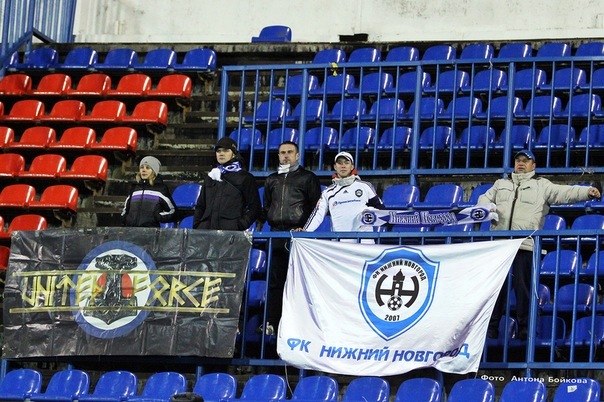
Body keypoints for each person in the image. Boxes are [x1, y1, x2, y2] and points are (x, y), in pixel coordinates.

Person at [478, 149, 600, 340]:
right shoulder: (500, 184)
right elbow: (484, 199)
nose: (520, 163)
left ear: (533, 166)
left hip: (525, 245)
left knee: (524, 291)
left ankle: (525, 331)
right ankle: (490, 331)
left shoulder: (541, 185)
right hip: (499, 247)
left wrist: (586, 192)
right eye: (518, 160)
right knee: (494, 292)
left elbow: (564, 192)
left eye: (525, 161)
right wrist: (487, 207)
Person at [260, 140, 322, 334]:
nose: (286, 155)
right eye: (282, 153)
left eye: (289, 152)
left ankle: (299, 326)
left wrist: (304, 228)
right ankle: (272, 322)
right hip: (276, 234)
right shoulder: (271, 179)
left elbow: (316, 208)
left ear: (297, 155)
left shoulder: (308, 178)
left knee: (299, 282)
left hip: (299, 236)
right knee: (275, 281)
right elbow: (267, 206)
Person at [301, 151, 385, 235]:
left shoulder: (365, 186)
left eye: (346, 163)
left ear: (352, 167)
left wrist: (368, 212)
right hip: (339, 241)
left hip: (364, 241)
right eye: (340, 163)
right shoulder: (328, 192)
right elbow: (318, 214)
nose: (343, 166)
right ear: (335, 166)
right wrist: (305, 231)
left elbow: (382, 211)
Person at [193, 137, 261, 230]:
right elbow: (200, 206)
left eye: (226, 150)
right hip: (206, 231)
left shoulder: (245, 177)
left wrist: (239, 226)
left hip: (230, 233)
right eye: (218, 151)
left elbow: (255, 208)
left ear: (234, 153)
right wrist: (197, 226)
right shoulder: (211, 176)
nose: (221, 153)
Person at [121, 156, 176, 227]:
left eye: (147, 168)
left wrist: (158, 216)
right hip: (131, 231)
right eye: (142, 167)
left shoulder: (161, 189)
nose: (143, 170)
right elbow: (125, 210)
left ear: (154, 171)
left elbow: (172, 211)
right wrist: (126, 219)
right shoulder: (134, 188)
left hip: (150, 232)